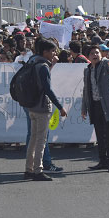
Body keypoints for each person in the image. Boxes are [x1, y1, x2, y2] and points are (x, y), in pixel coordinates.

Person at [23, 39, 67, 181]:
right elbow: (47, 89)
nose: (54, 53)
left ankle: (28, 169)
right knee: (41, 141)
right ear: (45, 52)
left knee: (33, 140)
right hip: (42, 108)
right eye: (52, 51)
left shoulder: (32, 61)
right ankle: (38, 171)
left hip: (32, 106)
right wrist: (60, 107)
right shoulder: (42, 66)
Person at [82, 45, 109, 173]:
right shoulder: (87, 70)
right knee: (100, 136)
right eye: (92, 53)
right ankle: (102, 161)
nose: (95, 55)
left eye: (97, 52)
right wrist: (84, 108)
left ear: (101, 54)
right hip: (95, 106)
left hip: (108, 105)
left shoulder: (105, 65)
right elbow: (86, 90)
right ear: (88, 57)